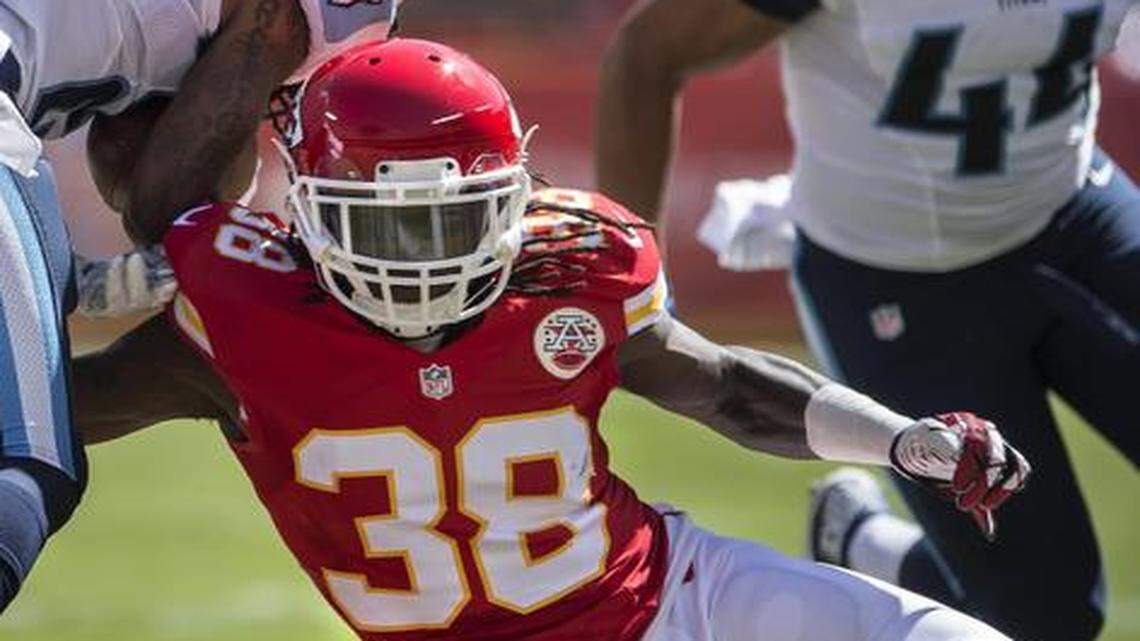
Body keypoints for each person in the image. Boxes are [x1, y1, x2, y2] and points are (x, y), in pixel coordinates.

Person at [72, 38, 1028, 641]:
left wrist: (899, 439)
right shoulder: (243, 310)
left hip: (671, 599)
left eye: (456, 220)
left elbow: (726, 384)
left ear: (515, 197)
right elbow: (53, 413)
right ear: (309, 208)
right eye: (389, 228)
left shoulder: (569, 264)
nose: (424, 262)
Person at [594, 1, 1139, 639]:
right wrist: (631, 290)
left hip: (1076, 211)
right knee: (1044, 614)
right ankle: (863, 541)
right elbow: (649, 53)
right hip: (895, 272)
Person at [0, 0, 399, 612]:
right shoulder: (292, 19)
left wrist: (91, 280)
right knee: (25, 466)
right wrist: (211, 251)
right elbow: (170, 200)